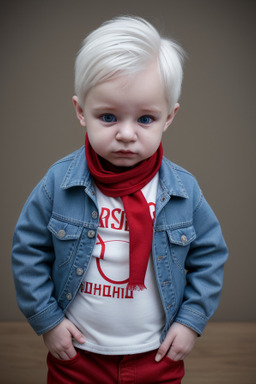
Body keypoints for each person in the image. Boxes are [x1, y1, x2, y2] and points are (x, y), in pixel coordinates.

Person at [12, 16, 228, 384]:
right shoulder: (59, 183)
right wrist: (47, 320)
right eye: (108, 117)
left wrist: (191, 322)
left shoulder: (182, 191)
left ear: (169, 118)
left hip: (156, 354)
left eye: (145, 119)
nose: (126, 134)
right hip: (77, 354)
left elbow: (210, 258)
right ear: (82, 112)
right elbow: (28, 251)